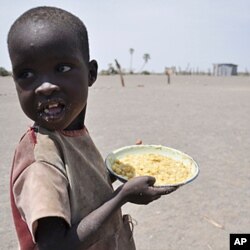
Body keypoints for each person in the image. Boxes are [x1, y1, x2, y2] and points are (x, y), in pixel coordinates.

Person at [8, 6, 177, 250]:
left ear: (91, 74)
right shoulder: (40, 163)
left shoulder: (69, 131)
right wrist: (122, 196)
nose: (44, 86)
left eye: (62, 68)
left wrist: (114, 174)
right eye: (26, 73)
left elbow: (76, 191)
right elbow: (55, 246)